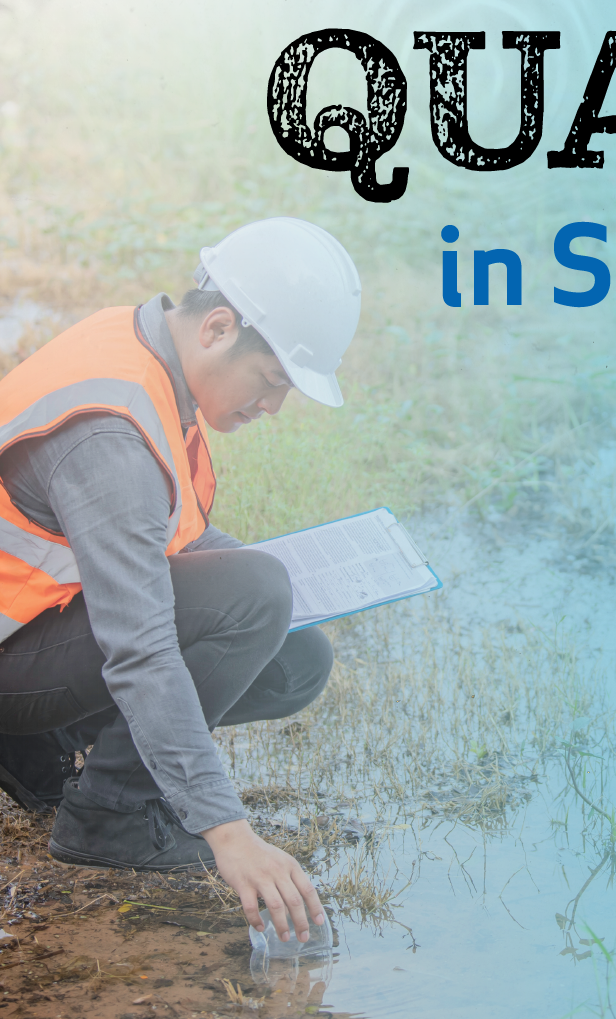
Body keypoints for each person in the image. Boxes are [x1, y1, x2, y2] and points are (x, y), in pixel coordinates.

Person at [0, 217, 363, 944]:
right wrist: (228, 832)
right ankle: (110, 817)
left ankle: (39, 750)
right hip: (13, 649)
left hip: (42, 623)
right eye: (271, 380)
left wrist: (291, 585)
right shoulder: (110, 436)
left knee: (296, 657)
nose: (273, 408)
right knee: (255, 596)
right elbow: (139, 648)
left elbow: (168, 544)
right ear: (218, 328)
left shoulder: (148, 351)